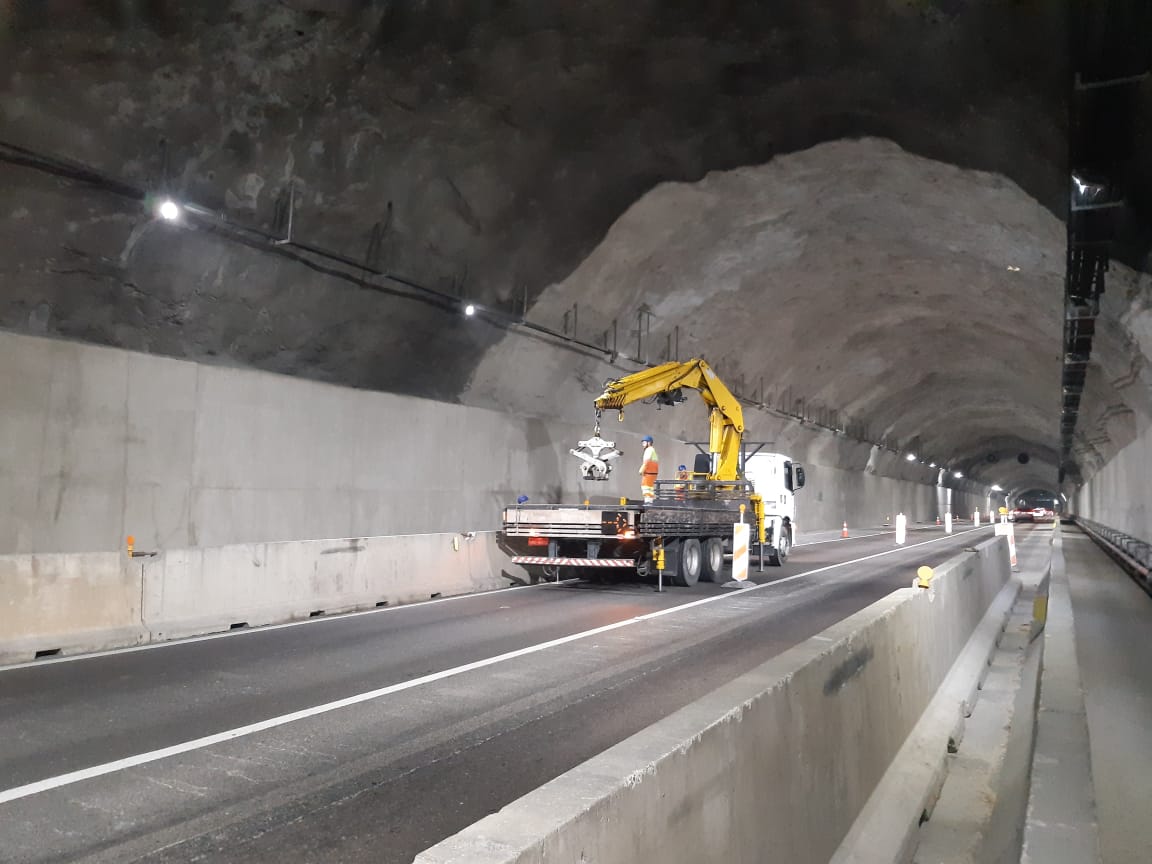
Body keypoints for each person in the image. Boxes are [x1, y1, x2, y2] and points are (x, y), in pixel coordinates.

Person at [638, 435, 659, 503]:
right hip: (653, 473)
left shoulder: (649, 450)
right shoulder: (653, 450)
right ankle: (650, 501)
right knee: (650, 488)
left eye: (644, 443)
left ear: (649, 443)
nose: (643, 445)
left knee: (645, 487)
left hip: (648, 473)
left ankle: (648, 502)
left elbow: (646, 461)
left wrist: (641, 470)